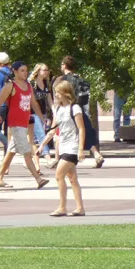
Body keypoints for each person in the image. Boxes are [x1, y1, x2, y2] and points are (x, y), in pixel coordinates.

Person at [0, 61, 50, 189]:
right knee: (27, 152)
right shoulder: (10, 86)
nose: (25, 73)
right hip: (15, 123)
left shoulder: (28, 86)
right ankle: (38, 179)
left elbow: (33, 103)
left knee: (11, 151)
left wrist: (41, 117)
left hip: (24, 123)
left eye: (26, 70)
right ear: (15, 72)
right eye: (22, 70)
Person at [57, 56, 105, 168]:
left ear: (64, 65)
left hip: (70, 110)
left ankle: (61, 159)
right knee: (86, 131)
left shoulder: (63, 80)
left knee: (70, 132)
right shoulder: (79, 78)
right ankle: (96, 154)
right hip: (80, 108)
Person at [50, 80, 86, 216]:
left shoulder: (75, 108)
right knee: (72, 178)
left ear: (65, 93)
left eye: (58, 93)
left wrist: (80, 149)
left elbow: (81, 129)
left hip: (72, 146)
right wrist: (42, 145)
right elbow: (54, 129)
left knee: (59, 175)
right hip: (63, 145)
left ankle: (62, 207)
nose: (56, 96)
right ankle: (80, 208)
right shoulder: (58, 109)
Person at [29, 64, 55, 170]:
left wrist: (55, 111)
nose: (47, 72)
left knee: (34, 139)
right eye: (44, 70)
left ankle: (32, 161)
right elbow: (32, 101)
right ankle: (48, 159)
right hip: (32, 113)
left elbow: (49, 100)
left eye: (48, 70)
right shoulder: (31, 83)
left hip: (43, 113)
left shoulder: (45, 83)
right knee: (41, 135)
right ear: (38, 71)